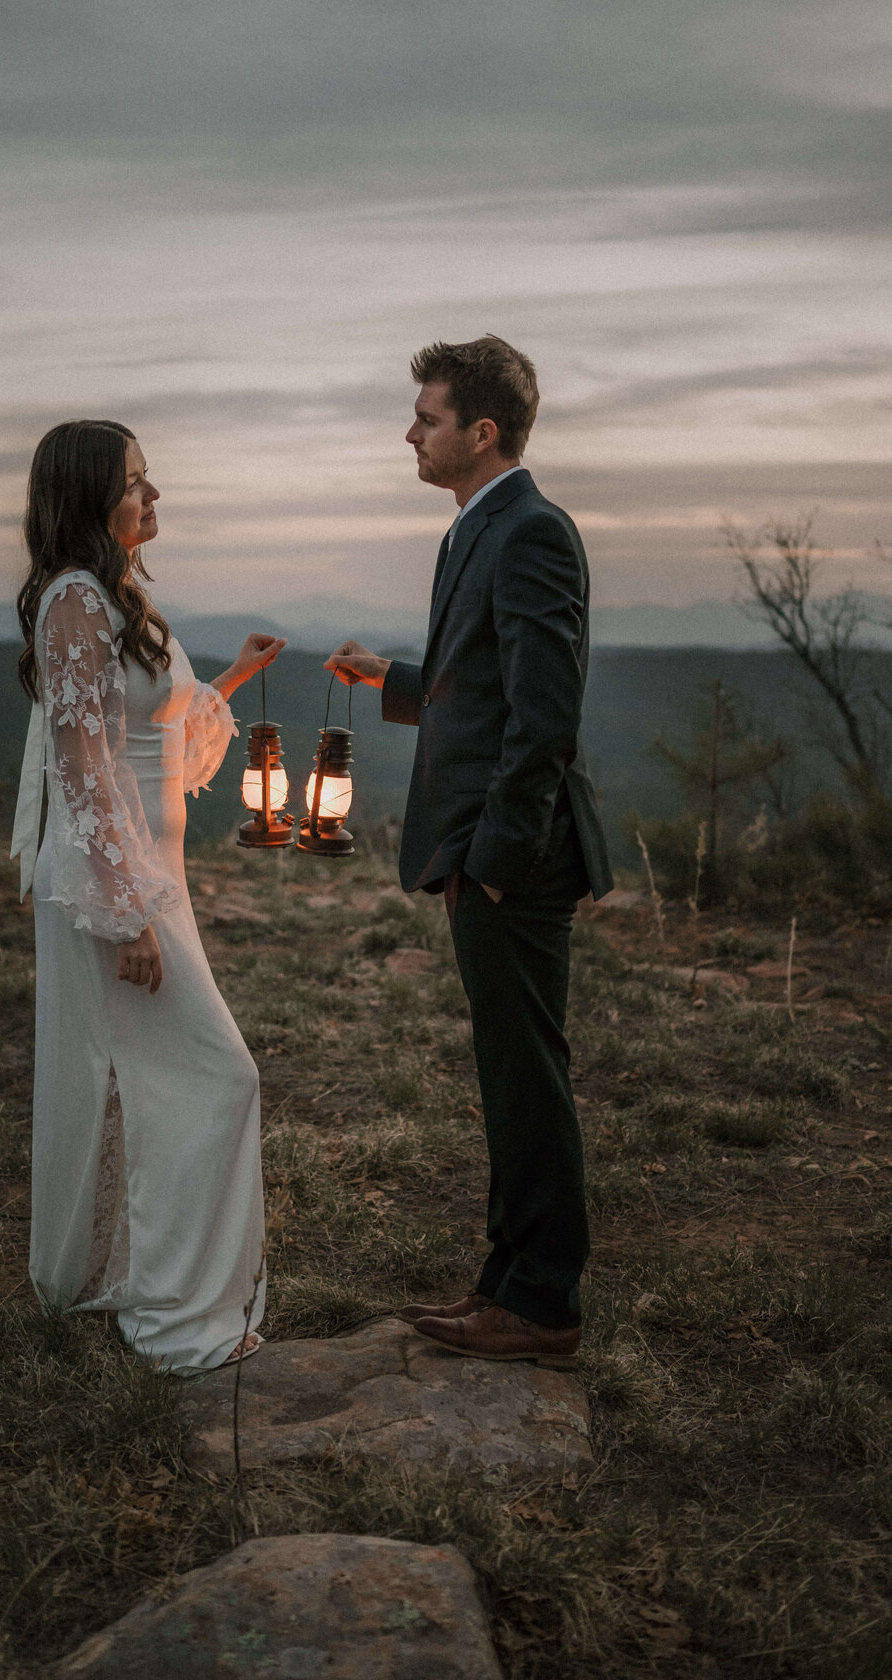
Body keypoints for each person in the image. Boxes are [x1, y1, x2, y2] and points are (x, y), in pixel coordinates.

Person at [327, 336, 613, 1368]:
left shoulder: (531, 530)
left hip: (514, 856)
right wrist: (390, 681)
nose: (411, 432)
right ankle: (508, 1281)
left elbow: (544, 717)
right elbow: (482, 681)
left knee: (528, 1074)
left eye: (428, 416)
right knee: (507, 1070)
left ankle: (540, 1302)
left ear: (481, 432)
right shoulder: (474, 531)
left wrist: (490, 859)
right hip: (485, 849)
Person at [11, 419, 285, 1374]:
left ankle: (149, 1285)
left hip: (149, 878)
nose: (154, 495)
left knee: (148, 1082)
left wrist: (239, 677)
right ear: (92, 497)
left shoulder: (116, 595)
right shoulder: (76, 601)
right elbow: (82, 764)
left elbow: (158, 732)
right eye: (136, 482)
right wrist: (126, 908)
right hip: (114, 887)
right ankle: (176, 1319)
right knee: (216, 1077)